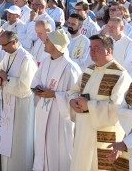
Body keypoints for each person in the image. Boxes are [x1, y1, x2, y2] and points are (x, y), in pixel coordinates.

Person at [69, 34, 132, 171]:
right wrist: (72, 101)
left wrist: (89, 106)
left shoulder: (120, 75)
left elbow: (118, 108)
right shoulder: (88, 70)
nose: (92, 52)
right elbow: (73, 91)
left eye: (96, 48)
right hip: (83, 132)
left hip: (104, 134)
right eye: (91, 48)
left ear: (109, 50)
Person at [31, 30, 81, 171]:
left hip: (60, 116)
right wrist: (37, 89)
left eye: (47, 41)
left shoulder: (70, 68)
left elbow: (75, 96)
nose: (44, 43)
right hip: (44, 111)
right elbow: (36, 80)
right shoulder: (46, 61)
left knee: (59, 150)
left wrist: (55, 95)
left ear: (56, 45)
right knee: (42, 146)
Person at [0, 30, 35, 171]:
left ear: (14, 42)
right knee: (8, 138)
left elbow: (27, 88)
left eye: (4, 45)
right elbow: (2, 71)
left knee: (18, 141)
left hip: (21, 108)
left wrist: (7, 79)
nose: (2, 48)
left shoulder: (26, 59)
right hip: (9, 104)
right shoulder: (9, 55)